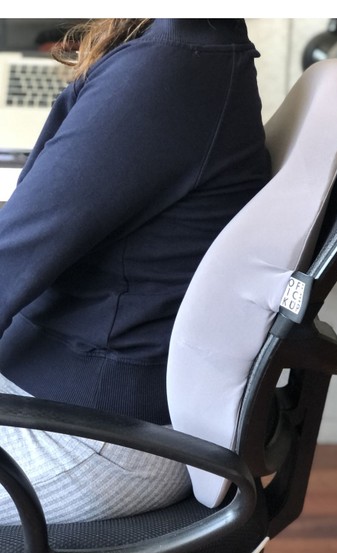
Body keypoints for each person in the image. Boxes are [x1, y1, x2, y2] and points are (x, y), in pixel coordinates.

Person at [0, 18, 271, 524]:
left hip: (98, 438)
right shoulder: (176, 47)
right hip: (57, 391)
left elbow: (18, 248)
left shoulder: (171, 64)